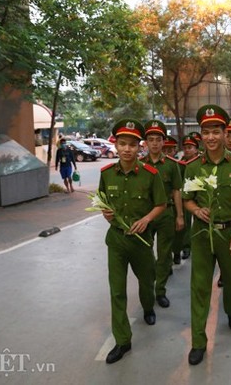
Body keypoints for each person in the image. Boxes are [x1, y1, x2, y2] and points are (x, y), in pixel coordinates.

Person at [182, 104, 231, 366]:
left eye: (216, 131)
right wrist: (195, 209)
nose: (211, 137)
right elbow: (187, 198)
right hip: (201, 234)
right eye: (206, 132)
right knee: (199, 287)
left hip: (229, 231)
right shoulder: (192, 167)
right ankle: (199, 342)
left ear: (225, 133)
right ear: (201, 135)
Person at [98, 119, 167, 364]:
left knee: (147, 281)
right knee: (117, 291)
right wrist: (106, 214)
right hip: (116, 240)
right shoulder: (106, 174)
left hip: (141, 241)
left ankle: (148, 307)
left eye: (132, 145)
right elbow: (103, 202)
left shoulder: (150, 174)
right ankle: (123, 341)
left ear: (140, 147)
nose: (127, 149)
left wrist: (147, 219)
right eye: (122, 144)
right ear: (116, 145)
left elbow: (161, 204)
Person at [141, 120, 184, 306]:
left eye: (158, 139)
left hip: (166, 213)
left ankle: (160, 291)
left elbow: (177, 191)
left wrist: (180, 215)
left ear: (163, 142)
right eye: (151, 139)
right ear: (146, 143)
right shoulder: (139, 164)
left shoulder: (171, 165)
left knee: (165, 254)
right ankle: (148, 289)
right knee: (146, 254)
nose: (155, 143)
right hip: (146, 215)